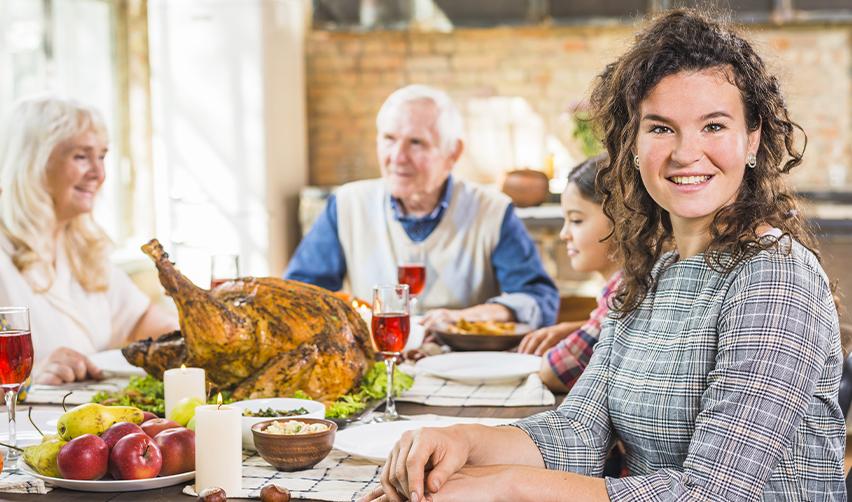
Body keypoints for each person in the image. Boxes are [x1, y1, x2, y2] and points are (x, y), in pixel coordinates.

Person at [361, 9, 845, 501]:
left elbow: (711, 494)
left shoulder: (775, 276)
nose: (685, 152)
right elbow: (577, 432)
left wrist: (503, 485)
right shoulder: (653, 271)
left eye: (713, 126)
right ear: (632, 145)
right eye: (660, 128)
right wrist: (461, 441)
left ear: (753, 139)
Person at [285, 84, 559, 330]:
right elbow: (300, 296)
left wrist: (473, 317)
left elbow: (539, 300)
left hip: (464, 368)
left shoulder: (492, 210)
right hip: (377, 364)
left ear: (453, 153)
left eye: (416, 143)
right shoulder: (347, 205)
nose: (398, 157)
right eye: (389, 139)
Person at [0, 96, 178, 385]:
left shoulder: (82, 247)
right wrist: (29, 379)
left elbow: (142, 320)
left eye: (102, 156)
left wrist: (195, 336)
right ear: (33, 163)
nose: (98, 173)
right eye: (81, 157)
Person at [517, 155, 621, 394]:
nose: (564, 234)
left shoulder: (624, 292)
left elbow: (556, 372)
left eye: (576, 220)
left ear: (623, 220)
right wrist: (579, 327)